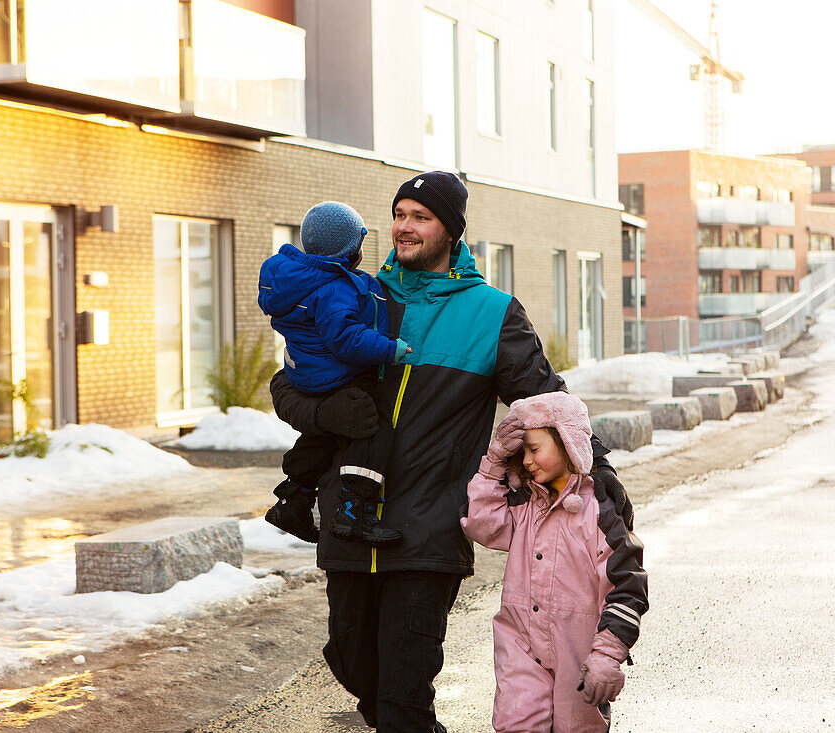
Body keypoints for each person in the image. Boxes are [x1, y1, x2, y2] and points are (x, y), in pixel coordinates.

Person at [270, 171, 635, 732]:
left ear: (452, 231)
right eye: (399, 215)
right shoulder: (358, 295)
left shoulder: (491, 314)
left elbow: (546, 402)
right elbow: (288, 383)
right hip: (349, 521)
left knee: (401, 690)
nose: (404, 228)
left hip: (429, 527)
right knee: (351, 663)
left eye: (421, 217)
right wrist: (323, 414)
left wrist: (599, 470)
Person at [462, 392, 648, 732]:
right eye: (522, 453)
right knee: (516, 723)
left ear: (567, 442)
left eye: (535, 449)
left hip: (578, 654)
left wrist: (607, 655)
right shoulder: (524, 504)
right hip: (520, 644)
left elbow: (627, 587)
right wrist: (494, 462)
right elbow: (481, 524)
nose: (528, 461)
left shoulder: (599, 512)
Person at [259, 201, 410, 547]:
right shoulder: (335, 288)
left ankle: (293, 500)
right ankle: (354, 510)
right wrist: (390, 349)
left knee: (323, 436)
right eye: (357, 245)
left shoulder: (297, 281)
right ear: (348, 252)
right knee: (372, 428)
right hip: (338, 373)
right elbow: (345, 340)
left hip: (308, 373)